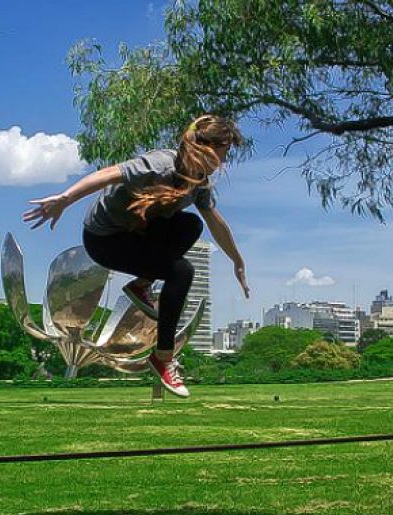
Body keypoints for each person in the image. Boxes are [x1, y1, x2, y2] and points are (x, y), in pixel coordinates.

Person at [23, 114, 250, 398]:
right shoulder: (161, 164)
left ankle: (141, 284)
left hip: (138, 234)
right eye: (223, 152)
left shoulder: (198, 182)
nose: (223, 162)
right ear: (206, 146)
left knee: (192, 225)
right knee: (181, 271)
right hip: (104, 239)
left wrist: (237, 261)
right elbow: (108, 174)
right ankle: (162, 359)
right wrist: (65, 199)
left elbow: (216, 222)